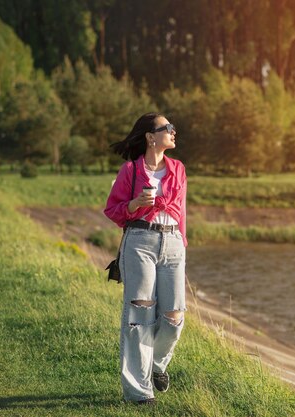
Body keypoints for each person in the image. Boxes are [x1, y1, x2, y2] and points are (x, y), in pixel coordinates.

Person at [104, 112, 188, 405]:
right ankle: (139, 393)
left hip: (173, 242)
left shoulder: (178, 169)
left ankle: (157, 365)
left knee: (174, 316)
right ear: (151, 137)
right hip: (139, 241)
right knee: (139, 317)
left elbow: (182, 212)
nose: (173, 131)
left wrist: (182, 243)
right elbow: (113, 210)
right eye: (168, 128)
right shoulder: (131, 170)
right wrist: (135, 204)